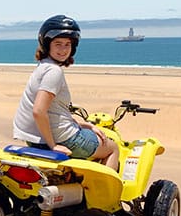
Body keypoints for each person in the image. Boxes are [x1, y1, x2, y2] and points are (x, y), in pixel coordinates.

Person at [13, 14, 120, 171]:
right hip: (63, 139)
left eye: (67, 44)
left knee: (91, 134)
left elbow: (54, 113)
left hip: (34, 138)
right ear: (47, 44)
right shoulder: (54, 72)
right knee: (112, 148)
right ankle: (107, 195)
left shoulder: (42, 67)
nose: (63, 50)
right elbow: (39, 111)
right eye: (58, 44)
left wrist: (86, 125)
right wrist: (54, 145)